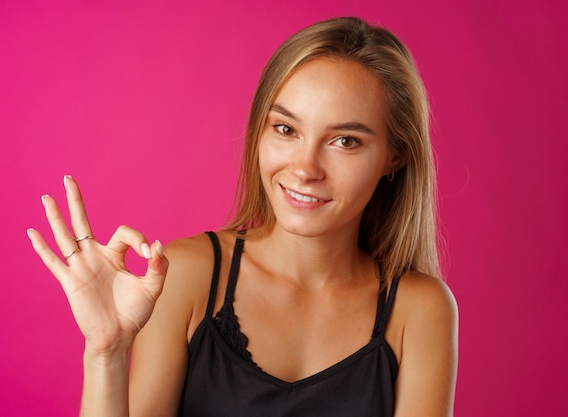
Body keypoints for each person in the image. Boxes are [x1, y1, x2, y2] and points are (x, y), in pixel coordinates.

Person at [27, 16, 458, 417]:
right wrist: (108, 351)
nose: (305, 169)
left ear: (395, 157)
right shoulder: (189, 274)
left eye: (345, 141)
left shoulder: (419, 310)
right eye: (286, 130)